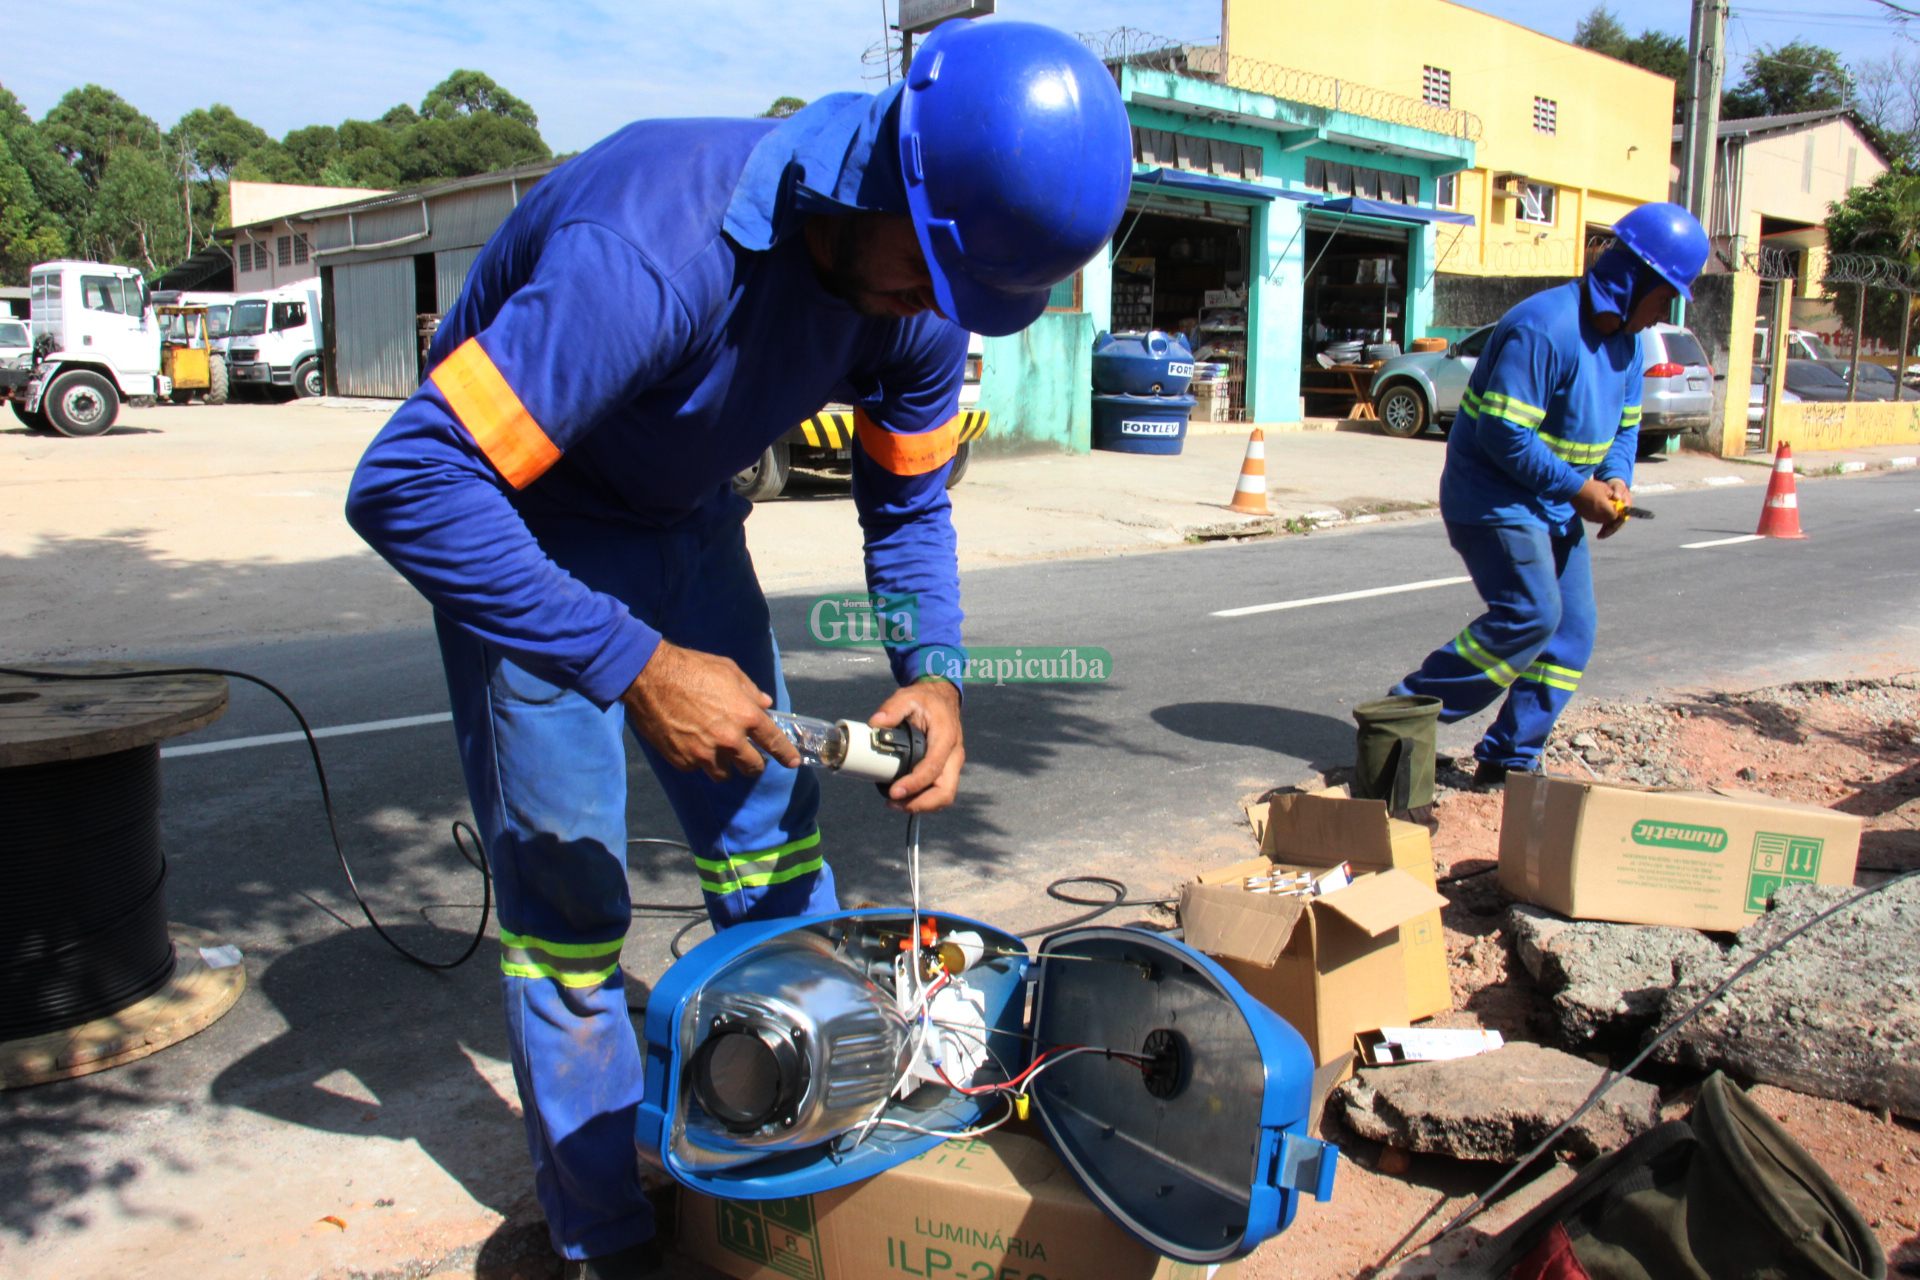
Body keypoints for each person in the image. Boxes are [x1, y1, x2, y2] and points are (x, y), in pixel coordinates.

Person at [343, 20, 1131, 1279]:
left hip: (691, 526)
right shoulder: (653, 247)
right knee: (572, 915)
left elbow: (910, 498)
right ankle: (606, 1235)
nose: (935, 310)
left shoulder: (918, 289)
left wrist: (929, 663)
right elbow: (409, 483)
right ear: (886, 177)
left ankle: (794, 1162)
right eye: (929, 270)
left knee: (777, 840)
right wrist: (631, 661)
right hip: (528, 528)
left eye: (961, 295)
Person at [1386, 202, 1709, 790]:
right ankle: (1402, 721)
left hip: (1555, 504)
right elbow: (1502, 434)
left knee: (1571, 633)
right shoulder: (1544, 327)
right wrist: (1578, 488)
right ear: (1633, 280)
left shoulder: (1631, 346)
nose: (1665, 313)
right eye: (1664, 297)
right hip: (1493, 500)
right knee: (1530, 614)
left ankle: (1509, 757)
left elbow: (1627, 428)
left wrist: (1615, 481)